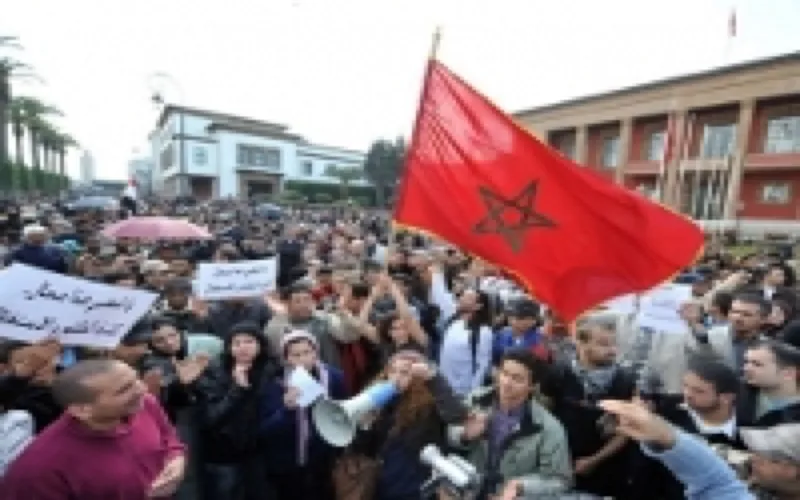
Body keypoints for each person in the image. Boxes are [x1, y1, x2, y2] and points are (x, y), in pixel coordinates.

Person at [1, 359, 186, 499]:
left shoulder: (145, 404)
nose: (142, 388)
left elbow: (169, 438)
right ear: (81, 410)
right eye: (124, 389)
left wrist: (176, 459)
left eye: (135, 379)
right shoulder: (39, 469)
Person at [447, 348, 573, 499]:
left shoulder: (548, 427)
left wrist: (520, 485)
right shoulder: (477, 400)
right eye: (504, 373)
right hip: (468, 491)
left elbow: (560, 480)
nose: (507, 383)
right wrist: (464, 435)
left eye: (517, 379)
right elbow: (450, 433)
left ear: (532, 386)